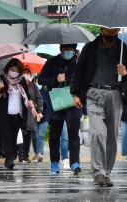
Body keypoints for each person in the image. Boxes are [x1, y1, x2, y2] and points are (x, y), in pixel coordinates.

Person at [70, 27, 127, 186]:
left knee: (111, 135)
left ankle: (107, 172)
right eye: (109, 30)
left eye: (115, 31)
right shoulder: (90, 48)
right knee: (98, 132)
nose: (112, 34)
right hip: (93, 93)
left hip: (115, 94)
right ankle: (98, 172)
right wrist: (75, 94)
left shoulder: (123, 48)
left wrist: (126, 72)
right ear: (102, 29)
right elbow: (79, 71)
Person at [38, 44, 83, 174]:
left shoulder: (79, 63)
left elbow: (84, 80)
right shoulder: (52, 62)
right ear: (60, 49)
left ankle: (75, 162)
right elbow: (41, 79)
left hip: (74, 101)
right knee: (55, 133)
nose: (69, 52)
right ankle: (54, 162)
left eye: (71, 50)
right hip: (57, 101)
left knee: (73, 134)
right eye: (66, 50)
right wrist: (55, 79)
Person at [0, 58, 35, 170]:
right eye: (12, 69)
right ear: (8, 69)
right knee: (6, 136)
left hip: (18, 114)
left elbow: (27, 96)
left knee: (14, 137)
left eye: (16, 70)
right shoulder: (0, 79)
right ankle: (9, 158)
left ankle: (10, 156)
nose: (14, 72)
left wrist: (33, 107)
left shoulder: (21, 81)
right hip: (5, 114)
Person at [18, 70, 43, 163]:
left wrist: (39, 110)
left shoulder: (33, 86)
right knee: (20, 135)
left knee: (28, 135)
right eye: (24, 72)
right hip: (20, 113)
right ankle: (20, 154)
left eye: (28, 73)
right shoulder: (18, 85)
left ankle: (25, 155)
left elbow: (39, 99)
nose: (26, 75)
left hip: (31, 114)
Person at [33, 76, 48, 163]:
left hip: (44, 117)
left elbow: (47, 103)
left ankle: (40, 154)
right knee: (34, 136)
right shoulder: (31, 91)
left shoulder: (45, 92)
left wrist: (39, 102)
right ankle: (36, 153)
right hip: (33, 118)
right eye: (36, 82)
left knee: (40, 135)